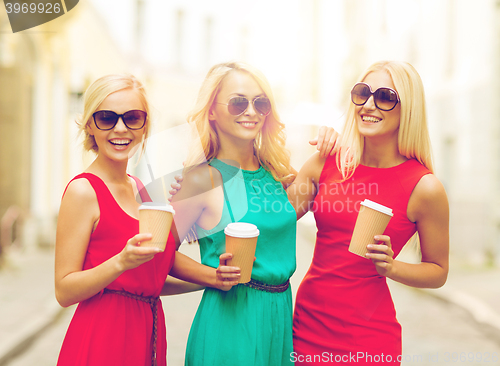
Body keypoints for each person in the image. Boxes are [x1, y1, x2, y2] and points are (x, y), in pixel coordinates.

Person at [167, 61, 339, 366]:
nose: (251, 111)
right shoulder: (199, 179)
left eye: (261, 103)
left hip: (280, 320)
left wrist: (337, 140)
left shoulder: (277, 176)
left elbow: (339, 171)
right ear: (211, 111)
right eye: (237, 102)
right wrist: (212, 276)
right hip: (229, 322)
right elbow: (160, 254)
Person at [290, 60, 449, 365]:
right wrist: (205, 184)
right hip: (307, 326)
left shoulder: (425, 188)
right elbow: (273, 217)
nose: (369, 104)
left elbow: (438, 271)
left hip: (369, 339)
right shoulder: (325, 162)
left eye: (386, 97)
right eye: (362, 93)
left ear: (408, 109)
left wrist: (392, 267)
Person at [54, 74, 204, 366]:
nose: (120, 128)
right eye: (107, 118)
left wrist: (210, 281)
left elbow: (146, 281)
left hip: (147, 331)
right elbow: (64, 290)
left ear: (145, 126)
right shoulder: (83, 191)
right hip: (103, 339)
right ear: (89, 125)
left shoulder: (139, 188)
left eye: (133, 117)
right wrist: (120, 261)